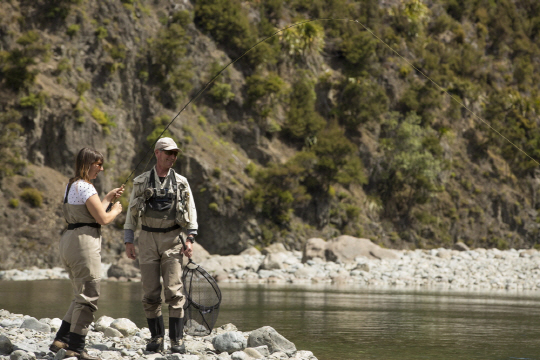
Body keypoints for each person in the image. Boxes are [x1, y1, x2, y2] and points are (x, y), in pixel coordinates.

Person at [123, 137, 198, 353]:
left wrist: (190, 239)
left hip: (173, 240)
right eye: (168, 152)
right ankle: (156, 338)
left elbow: (191, 212)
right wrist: (129, 240)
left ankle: (176, 341)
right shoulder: (141, 181)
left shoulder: (182, 182)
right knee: (150, 293)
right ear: (157, 153)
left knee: (174, 291)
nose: (172, 157)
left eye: (175, 153)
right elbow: (131, 214)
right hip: (146, 239)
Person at [49, 148, 124, 360]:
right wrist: (116, 210)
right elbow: (103, 219)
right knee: (89, 296)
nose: (101, 168)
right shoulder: (86, 187)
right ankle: (76, 347)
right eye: (98, 164)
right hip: (84, 243)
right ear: (87, 164)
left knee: (79, 295)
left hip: (69, 241)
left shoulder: (72, 184)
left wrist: (108, 197)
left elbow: (92, 212)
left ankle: (61, 339)